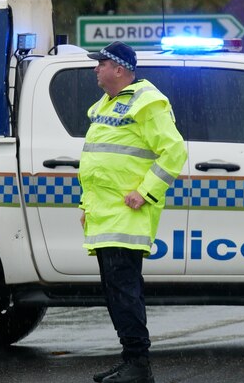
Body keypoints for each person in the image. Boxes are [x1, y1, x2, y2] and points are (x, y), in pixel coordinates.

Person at [78, 41, 187, 383]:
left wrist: (145, 192)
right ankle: (131, 360)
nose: (96, 68)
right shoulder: (105, 106)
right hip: (105, 216)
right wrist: (86, 207)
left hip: (127, 217)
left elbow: (174, 152)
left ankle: (138, 366)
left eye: (101, 63)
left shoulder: (147, 102)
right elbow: (98, 165)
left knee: (125, 292)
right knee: (115, 293)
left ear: (119, 69)